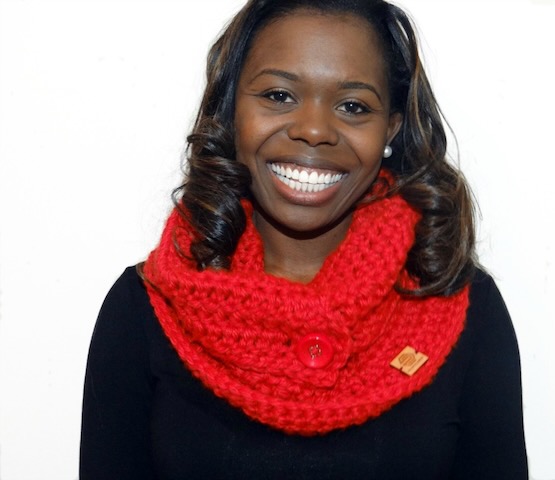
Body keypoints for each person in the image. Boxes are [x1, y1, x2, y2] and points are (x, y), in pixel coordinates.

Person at [80, 0, 528, 478]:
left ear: (390, 130)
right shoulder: (144, 308)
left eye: (353, 106)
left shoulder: (461, 305)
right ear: (232, 112)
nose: (314, 130)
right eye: (278, 95)